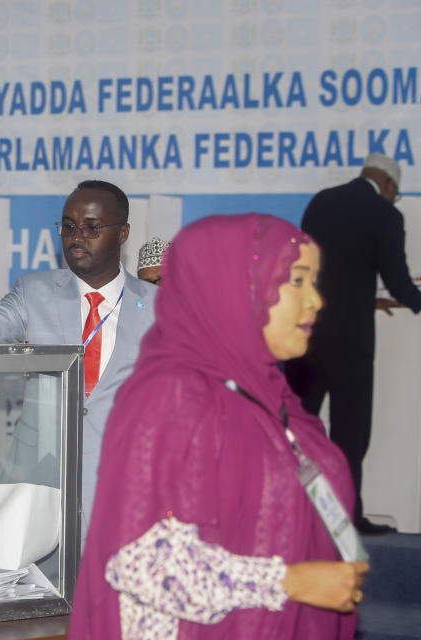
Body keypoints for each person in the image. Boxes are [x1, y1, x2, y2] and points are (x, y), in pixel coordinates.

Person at [69, 214, 368, 640]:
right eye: (297, 282)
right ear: (239, 288)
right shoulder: (171, 396)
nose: (316, 301)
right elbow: (141, 563)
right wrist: (291, 581)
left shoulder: (274, 399)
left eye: (313, 282)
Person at [0, 180, 157, 544]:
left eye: (91, 227)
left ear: (123, 233)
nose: (76, 237)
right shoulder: (35, 291)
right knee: (37, 593)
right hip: (40, 475)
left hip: (127, 482)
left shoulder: (161, 307)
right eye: (68, 227)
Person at [285, 153, 421, 535]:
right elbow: (397, 280)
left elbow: (324, 269)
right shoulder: (385, 213)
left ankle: (293, 516)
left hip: (305, 334)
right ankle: (346, 518)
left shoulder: (322, 201)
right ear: (389, 185)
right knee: (350, 434)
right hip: (349, 344)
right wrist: (414, 299)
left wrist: (366, 295)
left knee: (296, 428)